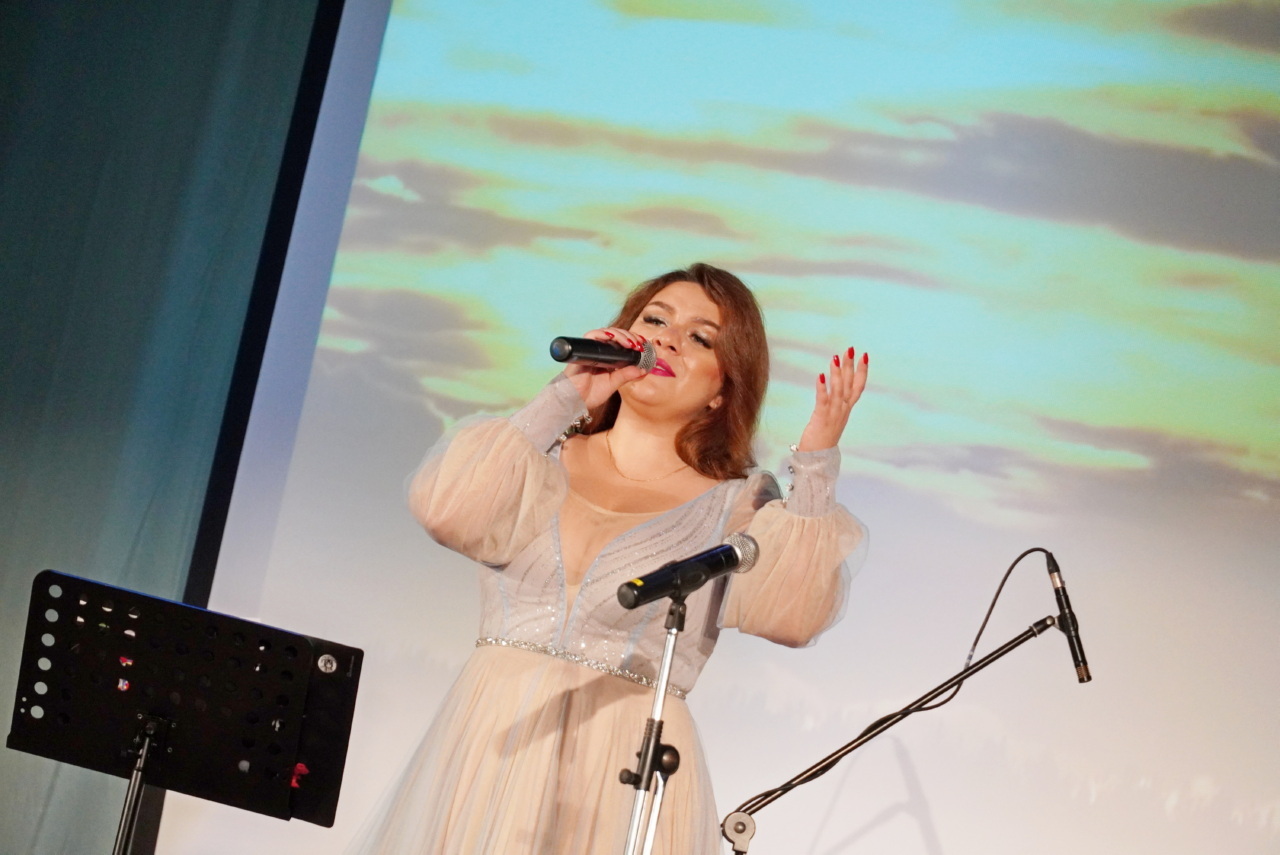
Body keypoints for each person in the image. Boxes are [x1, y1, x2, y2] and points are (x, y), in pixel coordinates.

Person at [350, 264, 868, 854]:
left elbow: (793, 617)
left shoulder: (739, 504)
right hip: (492, 742)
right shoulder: (537, 458)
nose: (667, 341)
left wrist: (817, 462)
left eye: (700, 338)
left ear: (723, 389)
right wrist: (567, 394)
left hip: (624, 767)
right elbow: (447, 512)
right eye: (655, 321)